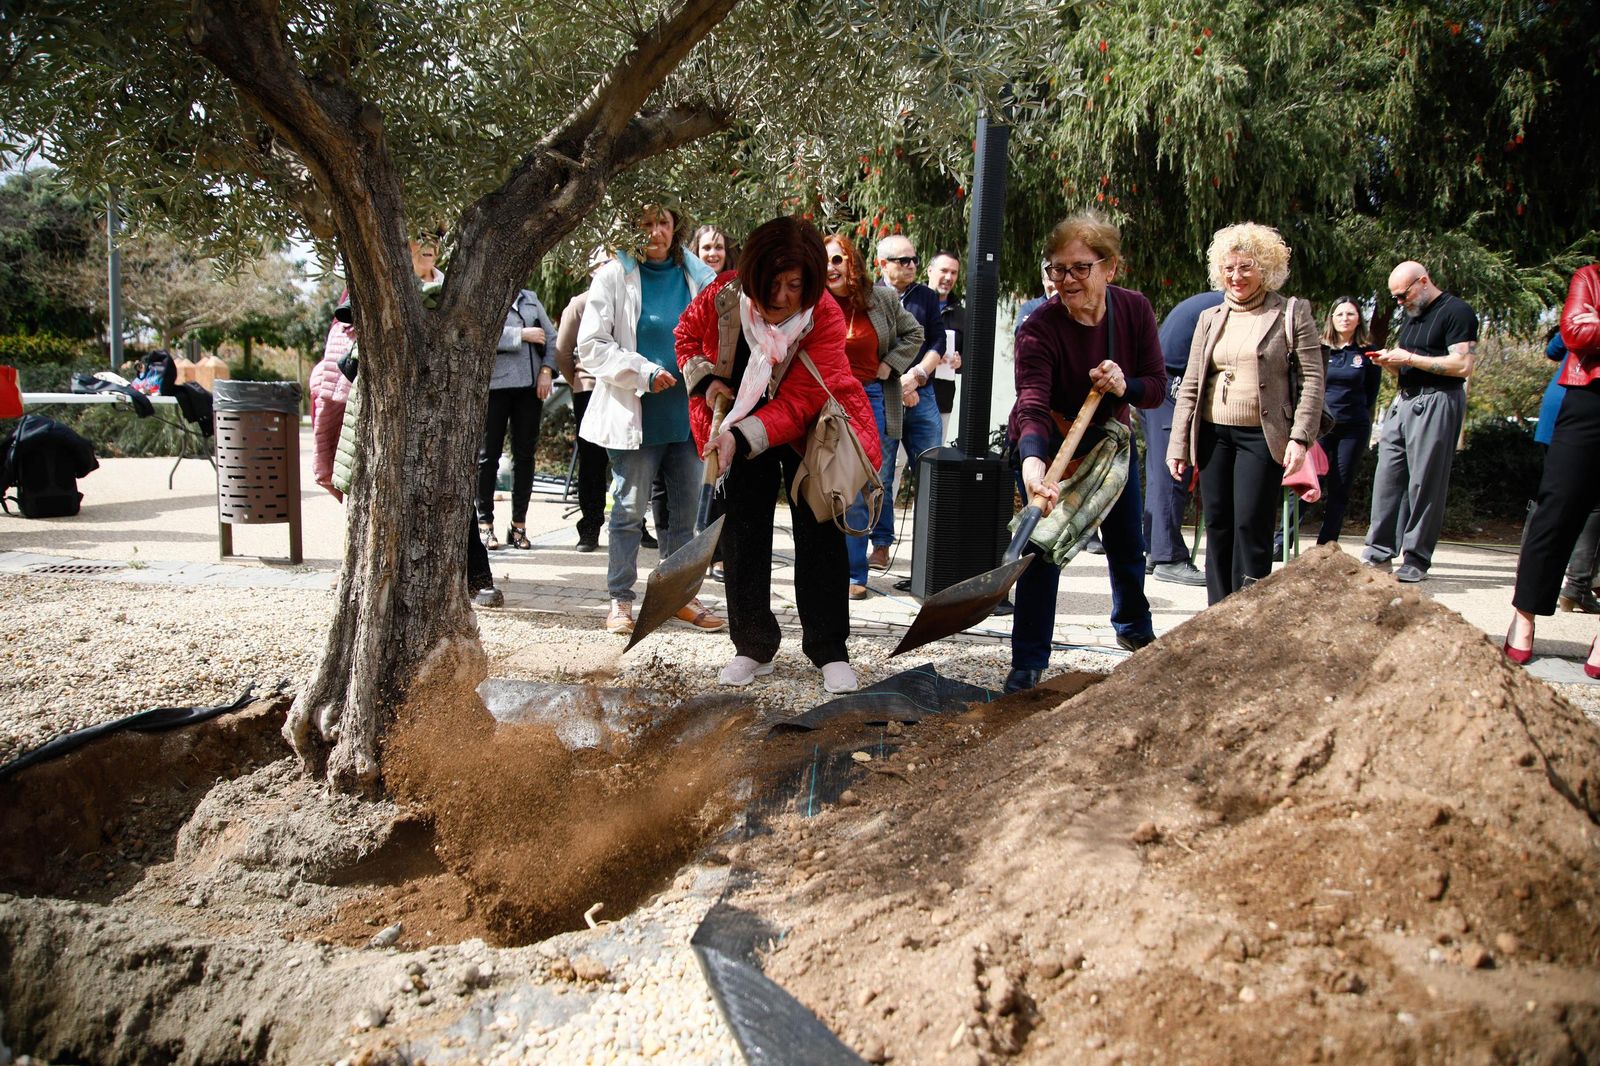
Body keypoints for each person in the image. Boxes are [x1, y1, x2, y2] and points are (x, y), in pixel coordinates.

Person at [676, 217, 882, 693]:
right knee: (742, 535)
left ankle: (829, 649)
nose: (782, 297)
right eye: (772, 283)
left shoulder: (824, 315)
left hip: (809, 430)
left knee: (821, 534)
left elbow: (801, 402)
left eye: (794, 285)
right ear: (753, 274)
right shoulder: (723, 294)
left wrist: (741, 436)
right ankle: (752, 645)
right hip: (736, 419)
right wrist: (707, 383)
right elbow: (685, 337)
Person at [1006, 211, 1165, 694]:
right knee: (1041, 546)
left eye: (1080, 267)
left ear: (1109, 267)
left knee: (1126, 541)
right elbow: (1032, 403)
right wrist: (1033, 463)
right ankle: (1028, 661)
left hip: (1108, 444)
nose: (1067, 279)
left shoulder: (1134, 310)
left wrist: (1124, 384)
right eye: (1057, 268)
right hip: (1049, 440)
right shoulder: (1038, 327)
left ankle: (1134, 628)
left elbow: (1155, 388)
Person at [576, 203, 723, 635]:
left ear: (676, 228)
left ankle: (679, 598)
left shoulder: (699, 277)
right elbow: (591, 345)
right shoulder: (613, 276)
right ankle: (621, 599)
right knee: (627, 511)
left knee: (684, 518)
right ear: (632, 229)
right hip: (635, 415)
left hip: (686, 417)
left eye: (663, 223)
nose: (656, 232)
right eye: (646, 224)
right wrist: (643, 371)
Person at [1167, 222, 1325, 605]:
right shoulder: (1209, 317)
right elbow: (1191, 384)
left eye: (1246, 267)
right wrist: (1178, 445)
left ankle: (1248, 611)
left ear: (1266, 268)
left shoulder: (1291, 313)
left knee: (1250, 525)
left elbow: (1313, 380)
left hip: (1262, 436)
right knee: (1217, 524)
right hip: (1213, 434)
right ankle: (1218, 612)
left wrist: (1300, 438)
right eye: (1229, 268)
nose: (1236, 277)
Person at [1504, 264, 1600, 677]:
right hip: (1590, 398)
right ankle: (1524, 616)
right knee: (1556, 509)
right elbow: (1576, 333)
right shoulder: (1590, 278)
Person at [1361, 261, 1478, 582]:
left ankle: (1416, 558)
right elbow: (1409, 365)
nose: (1400, 302)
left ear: (1423, 281)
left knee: (1425, 483)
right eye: (1395, 298)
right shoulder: (1412, 317)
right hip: (1404, 400)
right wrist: (1390, 362)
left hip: (1438, 400)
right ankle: (1378, 553)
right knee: (1387, 479)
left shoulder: (1457, 312)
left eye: (1404, 294)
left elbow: (1462, 365)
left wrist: (1409, 358)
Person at [824, 233, 924, 599]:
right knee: (828, 484)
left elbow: (915, 334)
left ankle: (855, 574)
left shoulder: (880, 299)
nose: (830, 267)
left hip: (870, 397)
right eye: (823, 261)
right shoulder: (813, 303)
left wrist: (890, 365)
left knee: (861, 486)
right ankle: (826, 569)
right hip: (825, 401)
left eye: (837, 259)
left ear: (851, 261)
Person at [866, 233, 945, 572]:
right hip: (884, 393)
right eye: (903, 260)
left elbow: (937, 342)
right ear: (883, 264)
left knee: (931, 474)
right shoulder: (868, 296)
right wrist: (899, 382)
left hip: (921, 394)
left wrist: (917, 376)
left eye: (914, 259)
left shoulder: (926, 296)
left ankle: (930, 552)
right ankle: (881, 544)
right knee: (881, 475)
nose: (912, 265)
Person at [1143, 290, 1221, 586]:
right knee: (1174, 469)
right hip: (1170, 383)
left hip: (1157, 382)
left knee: (1159, 472)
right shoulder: (1226, 307)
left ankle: (1155, 549)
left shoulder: (1211, 301)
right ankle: (1169, 558)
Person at [478, 287, 557, 550]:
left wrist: (547, 370)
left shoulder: (530, 298)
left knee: (525, 457)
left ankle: (518, 525)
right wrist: (521, 335)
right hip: (494, 388)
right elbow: (478, 334)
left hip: (530, 390)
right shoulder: (486, 293)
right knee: (488, 457)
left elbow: (551, 337)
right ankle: (485, 524)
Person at [1533, 331, 1600, 614]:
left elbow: (1553, 349)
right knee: (1594, 504)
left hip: (1558, 404)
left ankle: (1532, 577)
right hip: (1579, 407)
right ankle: (1577, 585)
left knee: (1550, 497)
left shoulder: (1581, 316)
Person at [553, 248, 612, 552]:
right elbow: (562, 352)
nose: (608, 268)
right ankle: (590, 526)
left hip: (623, 387)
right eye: (602, 263)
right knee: (591, 459)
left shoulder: (626, 300)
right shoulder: (579, 304)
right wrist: (579, 379)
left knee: (631, 458)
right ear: (591, 270)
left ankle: (636, 524)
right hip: (589, 389)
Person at [1315, 296, 1383, 545]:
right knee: (1309, 482)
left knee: (1340, 486)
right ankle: (1283, 540)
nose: (1345, 318)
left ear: (1358, 319)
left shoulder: (1367, 352)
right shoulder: (1319, 349)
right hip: (1321, 427)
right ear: (1331, 319)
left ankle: (1326, 544)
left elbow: (1371, 392)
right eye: (1340, 314)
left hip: (1353, 428)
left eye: (1350, 314)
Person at [927, 250, 965, 443]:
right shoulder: (911, 305)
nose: (949, 277)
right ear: (930, 271)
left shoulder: (962, 314)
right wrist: (930, 356)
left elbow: (970, 359)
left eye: (954, 272)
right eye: (944, 271)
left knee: (934, 454)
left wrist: (959, 362)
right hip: (909, 393)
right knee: (899, 457)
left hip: (942, 398)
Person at [1015, 259, 1057, 335]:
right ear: (1043, 281)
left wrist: (1036, 323)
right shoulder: (1029, 307)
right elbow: (1021, 335)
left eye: (1057, 278)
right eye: (1049, 279)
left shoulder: (1075, 308)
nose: (1054, 285)